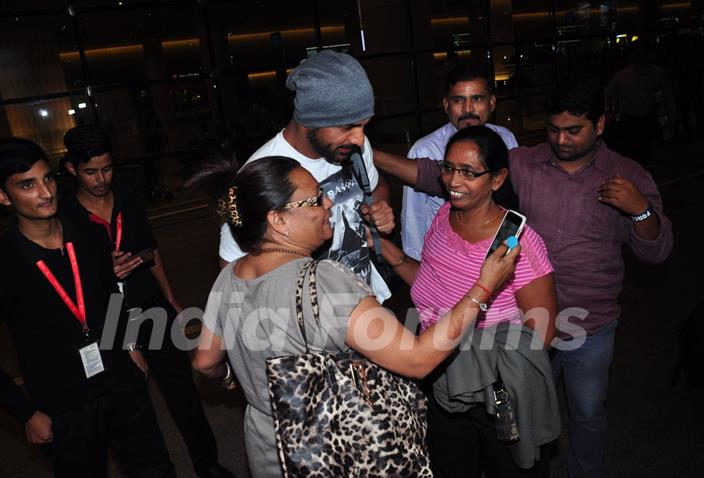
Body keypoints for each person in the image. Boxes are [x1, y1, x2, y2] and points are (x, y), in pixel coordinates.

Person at [374, 77, 674, 478]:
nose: (562, 140)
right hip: (516, 323)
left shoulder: (627, 174)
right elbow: (440, 175)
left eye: (574, 130)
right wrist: (366, 151)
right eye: (554, 129)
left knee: (584, 414)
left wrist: (639, 211)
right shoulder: (525, 162)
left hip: (588, 321)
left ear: (600, 125)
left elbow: (656, 251)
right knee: (521, 421)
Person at [191, 154, 521, 478]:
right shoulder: (323, 281)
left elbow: (205, 361)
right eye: (315, 200)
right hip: (335, 450)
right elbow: (417, 359)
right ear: (278, 220)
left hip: (268, 449)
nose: (329, 204)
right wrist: (483, 287)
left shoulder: (229, 276)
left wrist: (230, 377)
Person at [0, 138, 175, 477]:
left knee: (156, 469)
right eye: (27, 185)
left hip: (121, 382)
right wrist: (26, 413)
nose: (45, 192)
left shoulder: (87, 234)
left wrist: (130, 344)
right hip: (64, 406)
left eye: (48, 179)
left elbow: (112, 293)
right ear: (3, 196)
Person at [379, 126, 558, 477]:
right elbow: (429, 287)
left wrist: (495, 374)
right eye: (448, 168)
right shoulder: (444, 218)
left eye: (468, 172)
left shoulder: (518, 244)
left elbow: (543, 334)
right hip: (439, 377)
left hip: (492, 394)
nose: (453, 181)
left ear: (497, 179)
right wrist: (391, 254)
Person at [58, 126, 234, 478]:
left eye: (106, 168)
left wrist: (171, 300)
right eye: (91, 172)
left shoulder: (127, 198)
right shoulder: (64, 218)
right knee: (134, 405)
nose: (101, 179)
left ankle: (208, 464)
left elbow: (152, 252)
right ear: (71, 169)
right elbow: (69, 281)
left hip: (151, 307)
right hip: (109, 317)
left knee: (182, 391)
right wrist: (102, 272)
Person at [216, 50, 395, 302]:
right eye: (347, 127)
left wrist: (378, 210)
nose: (360, 139)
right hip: (309, 327)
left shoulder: (353, 148)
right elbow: (233, 270)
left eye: (364, 125)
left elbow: (376, 188)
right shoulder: (260, 173)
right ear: (310, 120)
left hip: (367, 301)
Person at [402, 61, 518, 261]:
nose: (468, 109)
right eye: (458, 100)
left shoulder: (506, 139)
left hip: (496, 254)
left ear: (492, 102)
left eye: (477, 99)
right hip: (445, 259)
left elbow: (512, 201)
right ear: (446, 104)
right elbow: (413, 219)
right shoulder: (424, 150)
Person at [605, 42, 676, 165]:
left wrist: (671, 114)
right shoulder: (623, 75)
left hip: (646, 116)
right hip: (629, 118)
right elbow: (608, 93)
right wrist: (608, 112)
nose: (640, 57)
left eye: (643, 54)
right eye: (638, 54)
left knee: (643, 148)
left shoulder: (657, 73)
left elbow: (668, 96)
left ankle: (641, 168)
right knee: (631, 149)